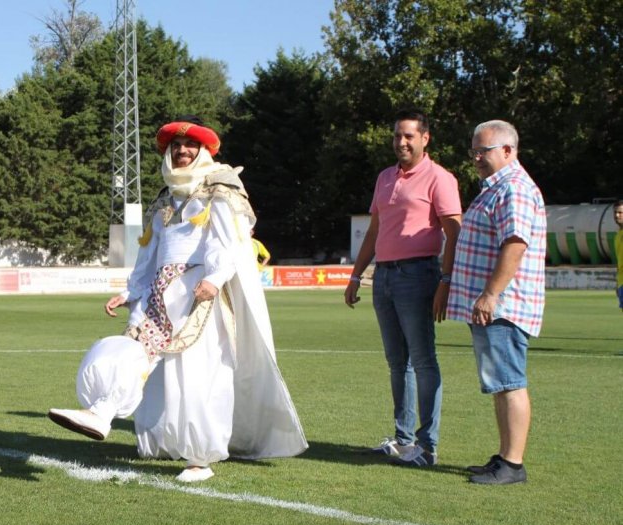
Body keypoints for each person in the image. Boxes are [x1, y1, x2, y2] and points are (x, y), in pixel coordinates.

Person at [48, 117, 307, 482]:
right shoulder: (165, 199)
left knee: (199, 374)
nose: (182, 152)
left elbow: (227, 242)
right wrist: (131, 292)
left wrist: (215, 280)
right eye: (175, 147)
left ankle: (200, 458)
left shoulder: (219, 189)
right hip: (159, 293)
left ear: (203, 151)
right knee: (139, 355)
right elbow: (149, 254)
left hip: (198, 294)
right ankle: (102, 413)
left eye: (190, 146)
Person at [344, 109, 462, 467]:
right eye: (397, 135)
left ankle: (427, 447)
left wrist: (445, 280)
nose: (401, 142)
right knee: (398, 363)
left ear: (425, 138)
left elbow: (453, 232)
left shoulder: (439, 178)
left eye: (409, 135)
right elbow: (375, 231)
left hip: (418, 275)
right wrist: (355, 275)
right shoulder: (384, 178)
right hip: (385, 277)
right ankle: (402, 439)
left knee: (423, 361)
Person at [447, 119, 546, 485]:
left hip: (504, 306)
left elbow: (515, 244)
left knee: (509, 382)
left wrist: (491, 294)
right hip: (495, 306)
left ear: (508, 150)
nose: (475, 158)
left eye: (482, 151)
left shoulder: (514, 189)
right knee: (500, 382)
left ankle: (513, 464)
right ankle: (505, 457)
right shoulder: (497, 187)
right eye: (473, 151)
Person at [614, 199, 623, 311]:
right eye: (615, 212)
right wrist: (618, 284)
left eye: (620, 212)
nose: (617, 215)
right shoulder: (617, 236)